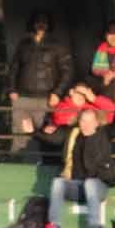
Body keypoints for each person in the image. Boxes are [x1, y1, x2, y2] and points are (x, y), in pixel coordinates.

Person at [8, 12, 74, 155]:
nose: (41, 24)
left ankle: (40, 166)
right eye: (38, 21)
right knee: (20, 135)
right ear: (32, 23)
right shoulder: (23, 44)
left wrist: (57, 92)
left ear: (49, 24)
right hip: (23, 97)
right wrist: (12, 89)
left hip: (47, 98)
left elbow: (67, 71)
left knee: (43, 136)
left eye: (44, 21)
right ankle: (17, 165)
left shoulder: (57, 45)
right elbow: (14, 68)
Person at [45, 107, 115, 228]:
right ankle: (54, 225)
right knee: (58, 182)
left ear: (96, 123)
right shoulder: (73, 135)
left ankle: (94, 227)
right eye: (83, 121)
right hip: (78, 187)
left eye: (90, 122)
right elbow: (52, 138)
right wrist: (34, 131)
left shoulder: (102, 136)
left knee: (90, 183)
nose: (86, 125)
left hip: (98, 187)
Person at [91, 21, 115, 90]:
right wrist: (105, 77)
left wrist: (114, 74)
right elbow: (94, 72)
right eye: (110, 33)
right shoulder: (100, 49)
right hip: (104, 86)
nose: (114, 37)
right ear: (106, 35)